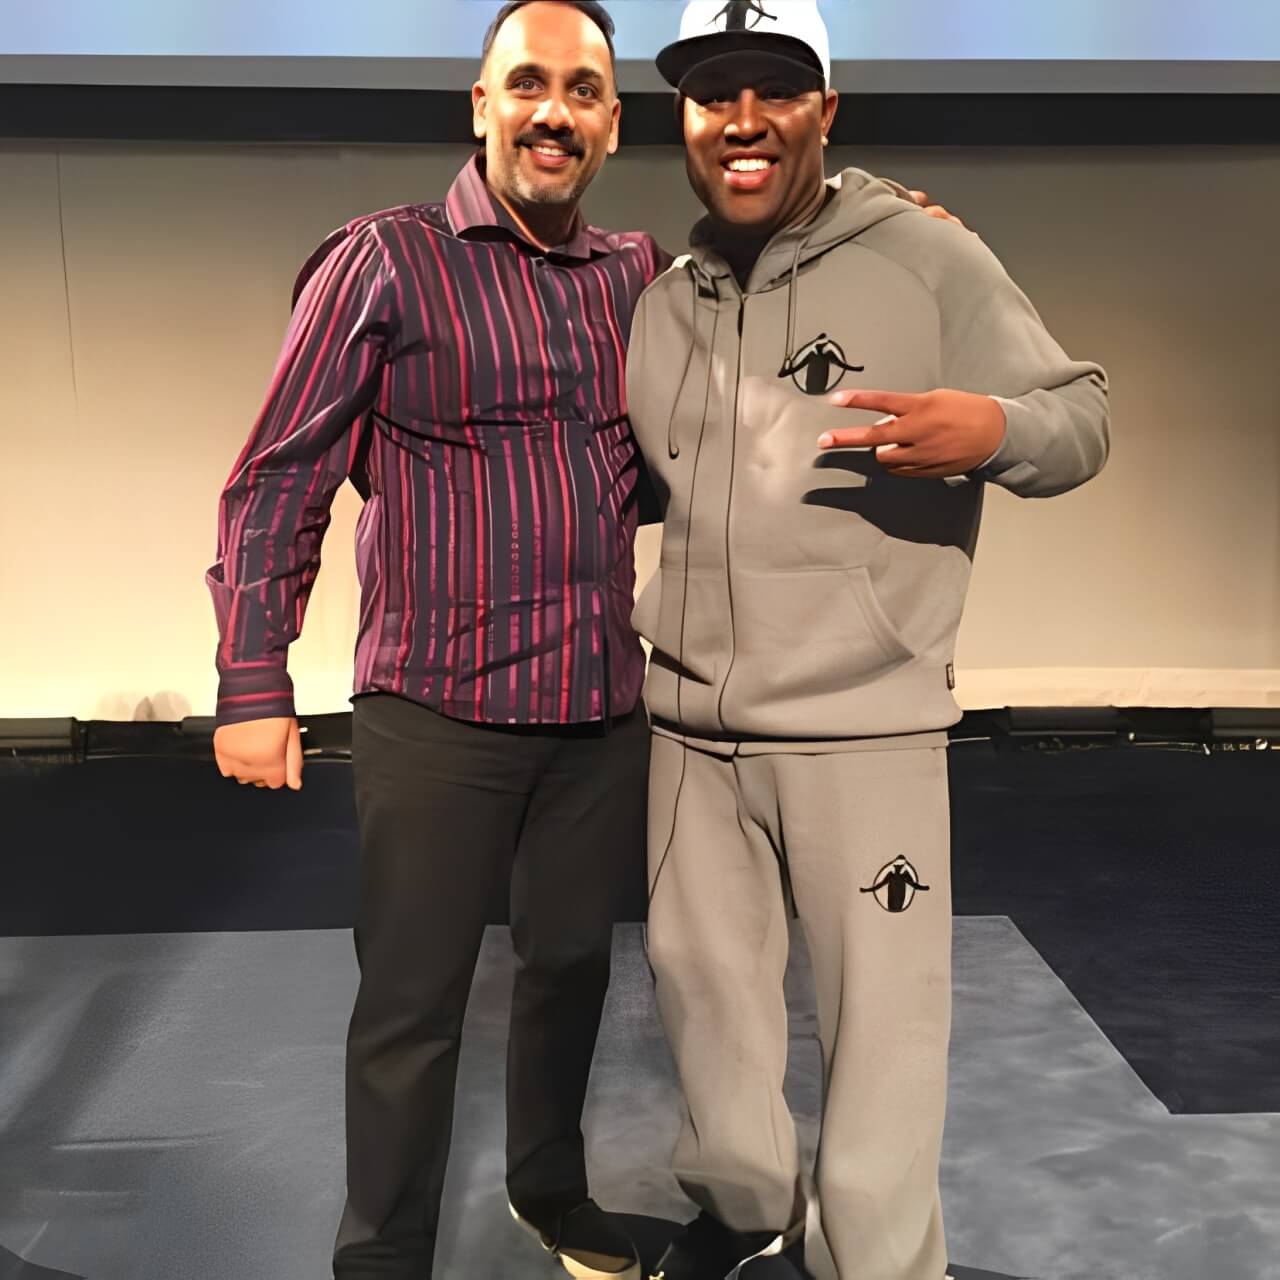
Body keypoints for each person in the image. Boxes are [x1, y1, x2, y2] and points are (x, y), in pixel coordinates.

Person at [206, 2, 965, 1276]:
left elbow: (713, 414)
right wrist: (251, 677)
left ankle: (547, 1188)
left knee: (567, 970)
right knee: (410, 1003)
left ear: (613, 125)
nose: (551, 112)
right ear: (481, 105)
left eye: (581, 92)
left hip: (598, 708)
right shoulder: (383, 259)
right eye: (526, 84)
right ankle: (381, 1250)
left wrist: (885, 224)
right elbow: (280, 473)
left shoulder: (636, 277)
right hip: (433, 711)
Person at [625, 3, 1110, 1279]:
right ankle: (741, 1220)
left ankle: (879, 1262)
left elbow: (1080, 416)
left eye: (774, 88)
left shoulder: (923, 256)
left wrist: (993, 429)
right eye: (712, 92)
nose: (741, 119)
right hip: (688, 729)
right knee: (701, 997)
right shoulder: (663, 301)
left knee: (882, 1030)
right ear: (682, 120)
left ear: (825, 111)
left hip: (863, 727)